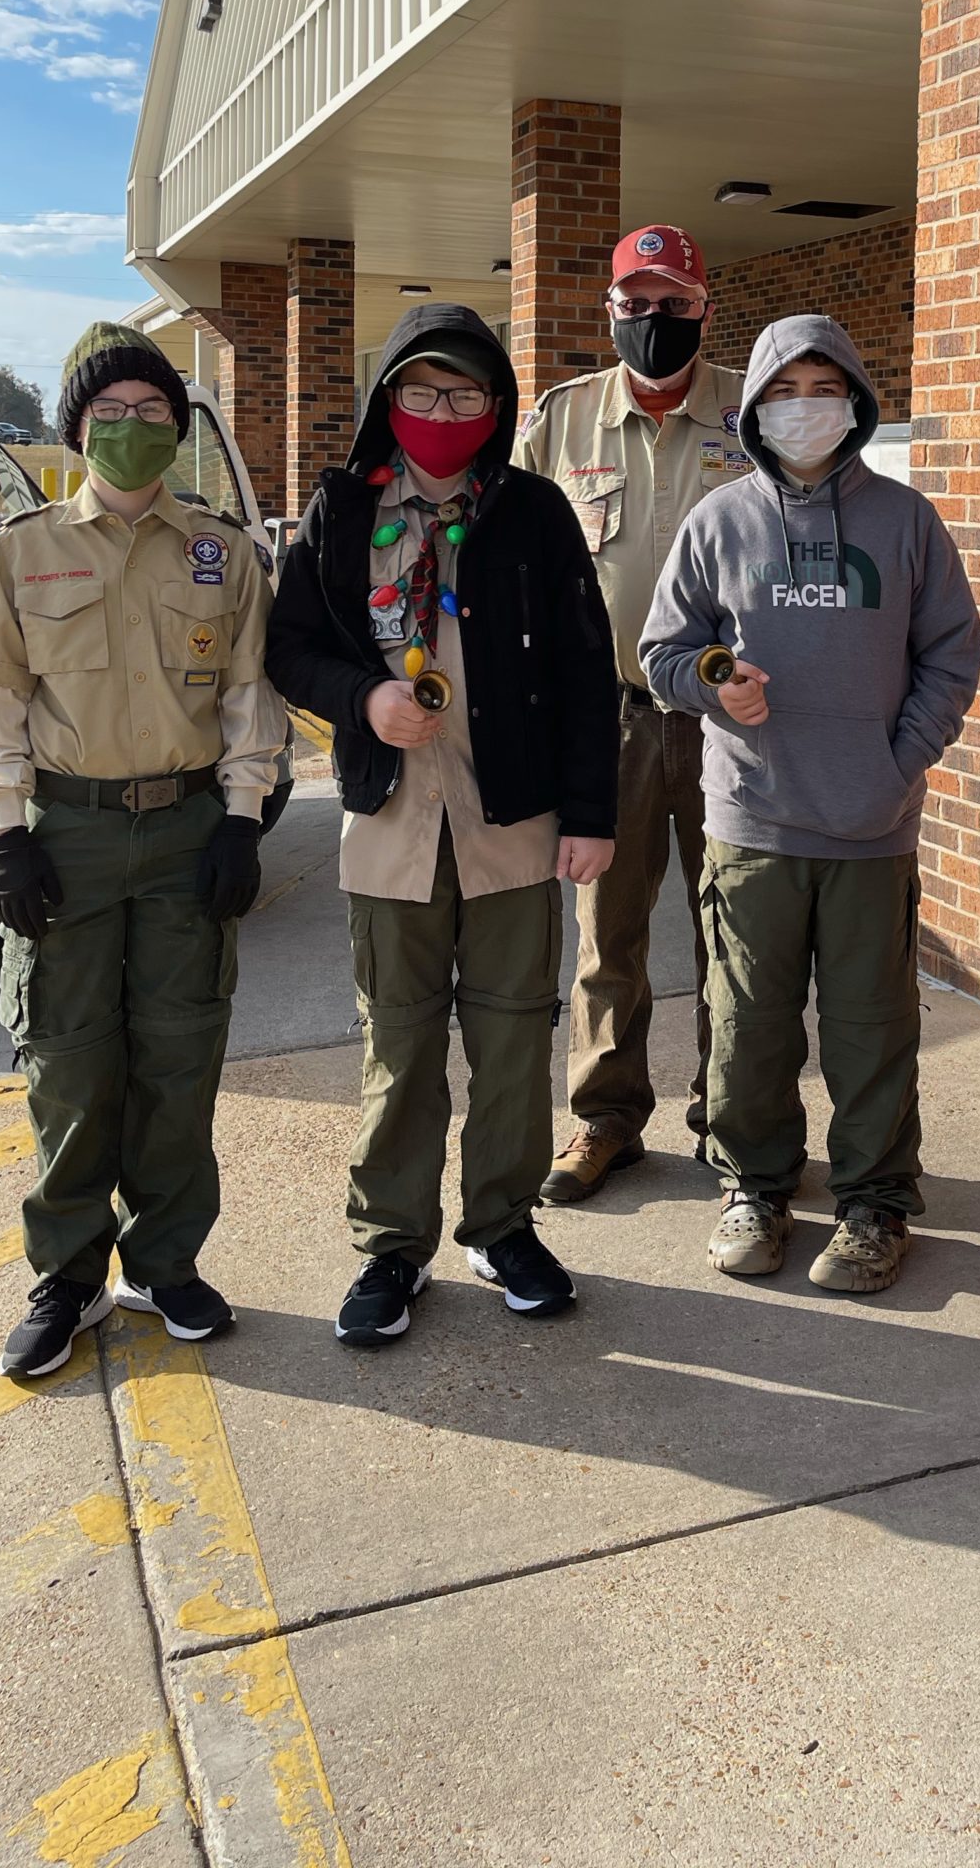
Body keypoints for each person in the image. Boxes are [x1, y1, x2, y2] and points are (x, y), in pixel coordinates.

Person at [265, 304, 617, 1347]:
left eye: (465, 393)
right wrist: (360, 699)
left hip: (512, 824)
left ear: (495, 408)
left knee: (512, 1039)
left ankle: (502, 1224)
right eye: (420, 390)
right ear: (387, 399)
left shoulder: (535, 515)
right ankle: (391, 1243)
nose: (441, 410)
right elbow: (288, 647)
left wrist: (591, 814)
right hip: (389, 824)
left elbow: (586, 674)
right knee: (401, 1044)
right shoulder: (338, 513)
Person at [0, 322, 285, 1379]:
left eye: (151, 413)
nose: (132, 429)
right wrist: (6, 835)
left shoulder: (220, 551)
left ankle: (166, 1262)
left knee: (181, 1055)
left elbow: (249, 697)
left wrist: (241, 815)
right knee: (68, 1058)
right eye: (110, 413)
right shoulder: (25, 551)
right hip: (71, 831)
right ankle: (69, 1274)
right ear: (77, 427)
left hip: (185, 825)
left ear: (178, 430)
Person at [641, 314, 980, 1295]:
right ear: (754, 406)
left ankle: (874, 1205)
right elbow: (663, 650)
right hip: (752, 820)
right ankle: (754, 1184)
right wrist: (717, 683)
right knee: (748, 1022)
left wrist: (900, 762)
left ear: (856, 402)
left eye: (823, 387)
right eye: (784, 390)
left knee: (873, 1027)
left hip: (874, 824)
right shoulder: (720, 521)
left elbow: (952, 653)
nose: (805, 408)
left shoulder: (906, 522)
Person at [515, 225, 748, 1203]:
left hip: (734, 719)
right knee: (607, 932)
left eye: (676, 303)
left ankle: (735, 1118)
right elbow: (516, 573)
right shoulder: (561, 423)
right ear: (609, 310)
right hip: (605, 720)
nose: (657, 320)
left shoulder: (756, 409)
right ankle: (606, 1118)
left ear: (704, 307)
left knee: (735, 928)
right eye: (637, 303)